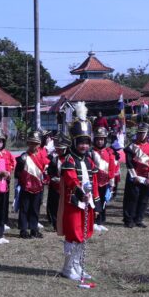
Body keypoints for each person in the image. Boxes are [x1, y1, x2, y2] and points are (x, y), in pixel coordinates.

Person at [58, 111, 99, 284]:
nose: (83, 146)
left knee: (84, 234)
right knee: (74, 234)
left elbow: (94, 181)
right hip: (73, 203)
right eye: (80, 142)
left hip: (87, 203)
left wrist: (95, 202)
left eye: (86, 142)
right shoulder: (68, 159)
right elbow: (70, 179)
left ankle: (77, 265)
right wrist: (81, 193)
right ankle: (67, 269)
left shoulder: (89, 161)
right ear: (74, 142)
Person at [123, 123, 149, 228]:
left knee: (144, 199)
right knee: (132, 198)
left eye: (143, 133)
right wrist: (135, 177)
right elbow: (129, 163)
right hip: (134, 177)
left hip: (147, 177)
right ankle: (129, 220)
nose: (140, 135)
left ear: (147, 135)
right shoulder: (131, 147)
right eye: (139, 133)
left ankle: (139, 219)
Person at [15, 130, 49, 239]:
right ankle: (23, 230)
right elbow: (17, 173)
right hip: (26, 187)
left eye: (36, 143)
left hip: (38, 187)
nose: (33, 145)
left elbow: (46, 171)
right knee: (24, 209)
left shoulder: (43, 157)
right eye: (31, 143)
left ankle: (34, 229)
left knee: (35, 209)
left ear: (39, 144)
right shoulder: (23, 157)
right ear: (28, 143)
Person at [91, 127, 118, 229]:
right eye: (98, 139)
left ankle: (101, 221)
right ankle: (93, 221)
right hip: (94, 182)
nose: (100, 141)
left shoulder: (109, 152)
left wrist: (111, 184)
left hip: (105, 182)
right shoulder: (91, 152)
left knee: (103, 202)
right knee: (94, 201)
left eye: (102, 139)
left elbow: (112, 169)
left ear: (105, 140)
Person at [46, 135, 69, 229]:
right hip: (55, 186)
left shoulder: (69, 159)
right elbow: (49, 171)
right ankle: (54, 223)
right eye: (58, 149)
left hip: (67, 187)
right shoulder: (54, 159)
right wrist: (52, 177)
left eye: (61, 149)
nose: (59, 151)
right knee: (53, 205)